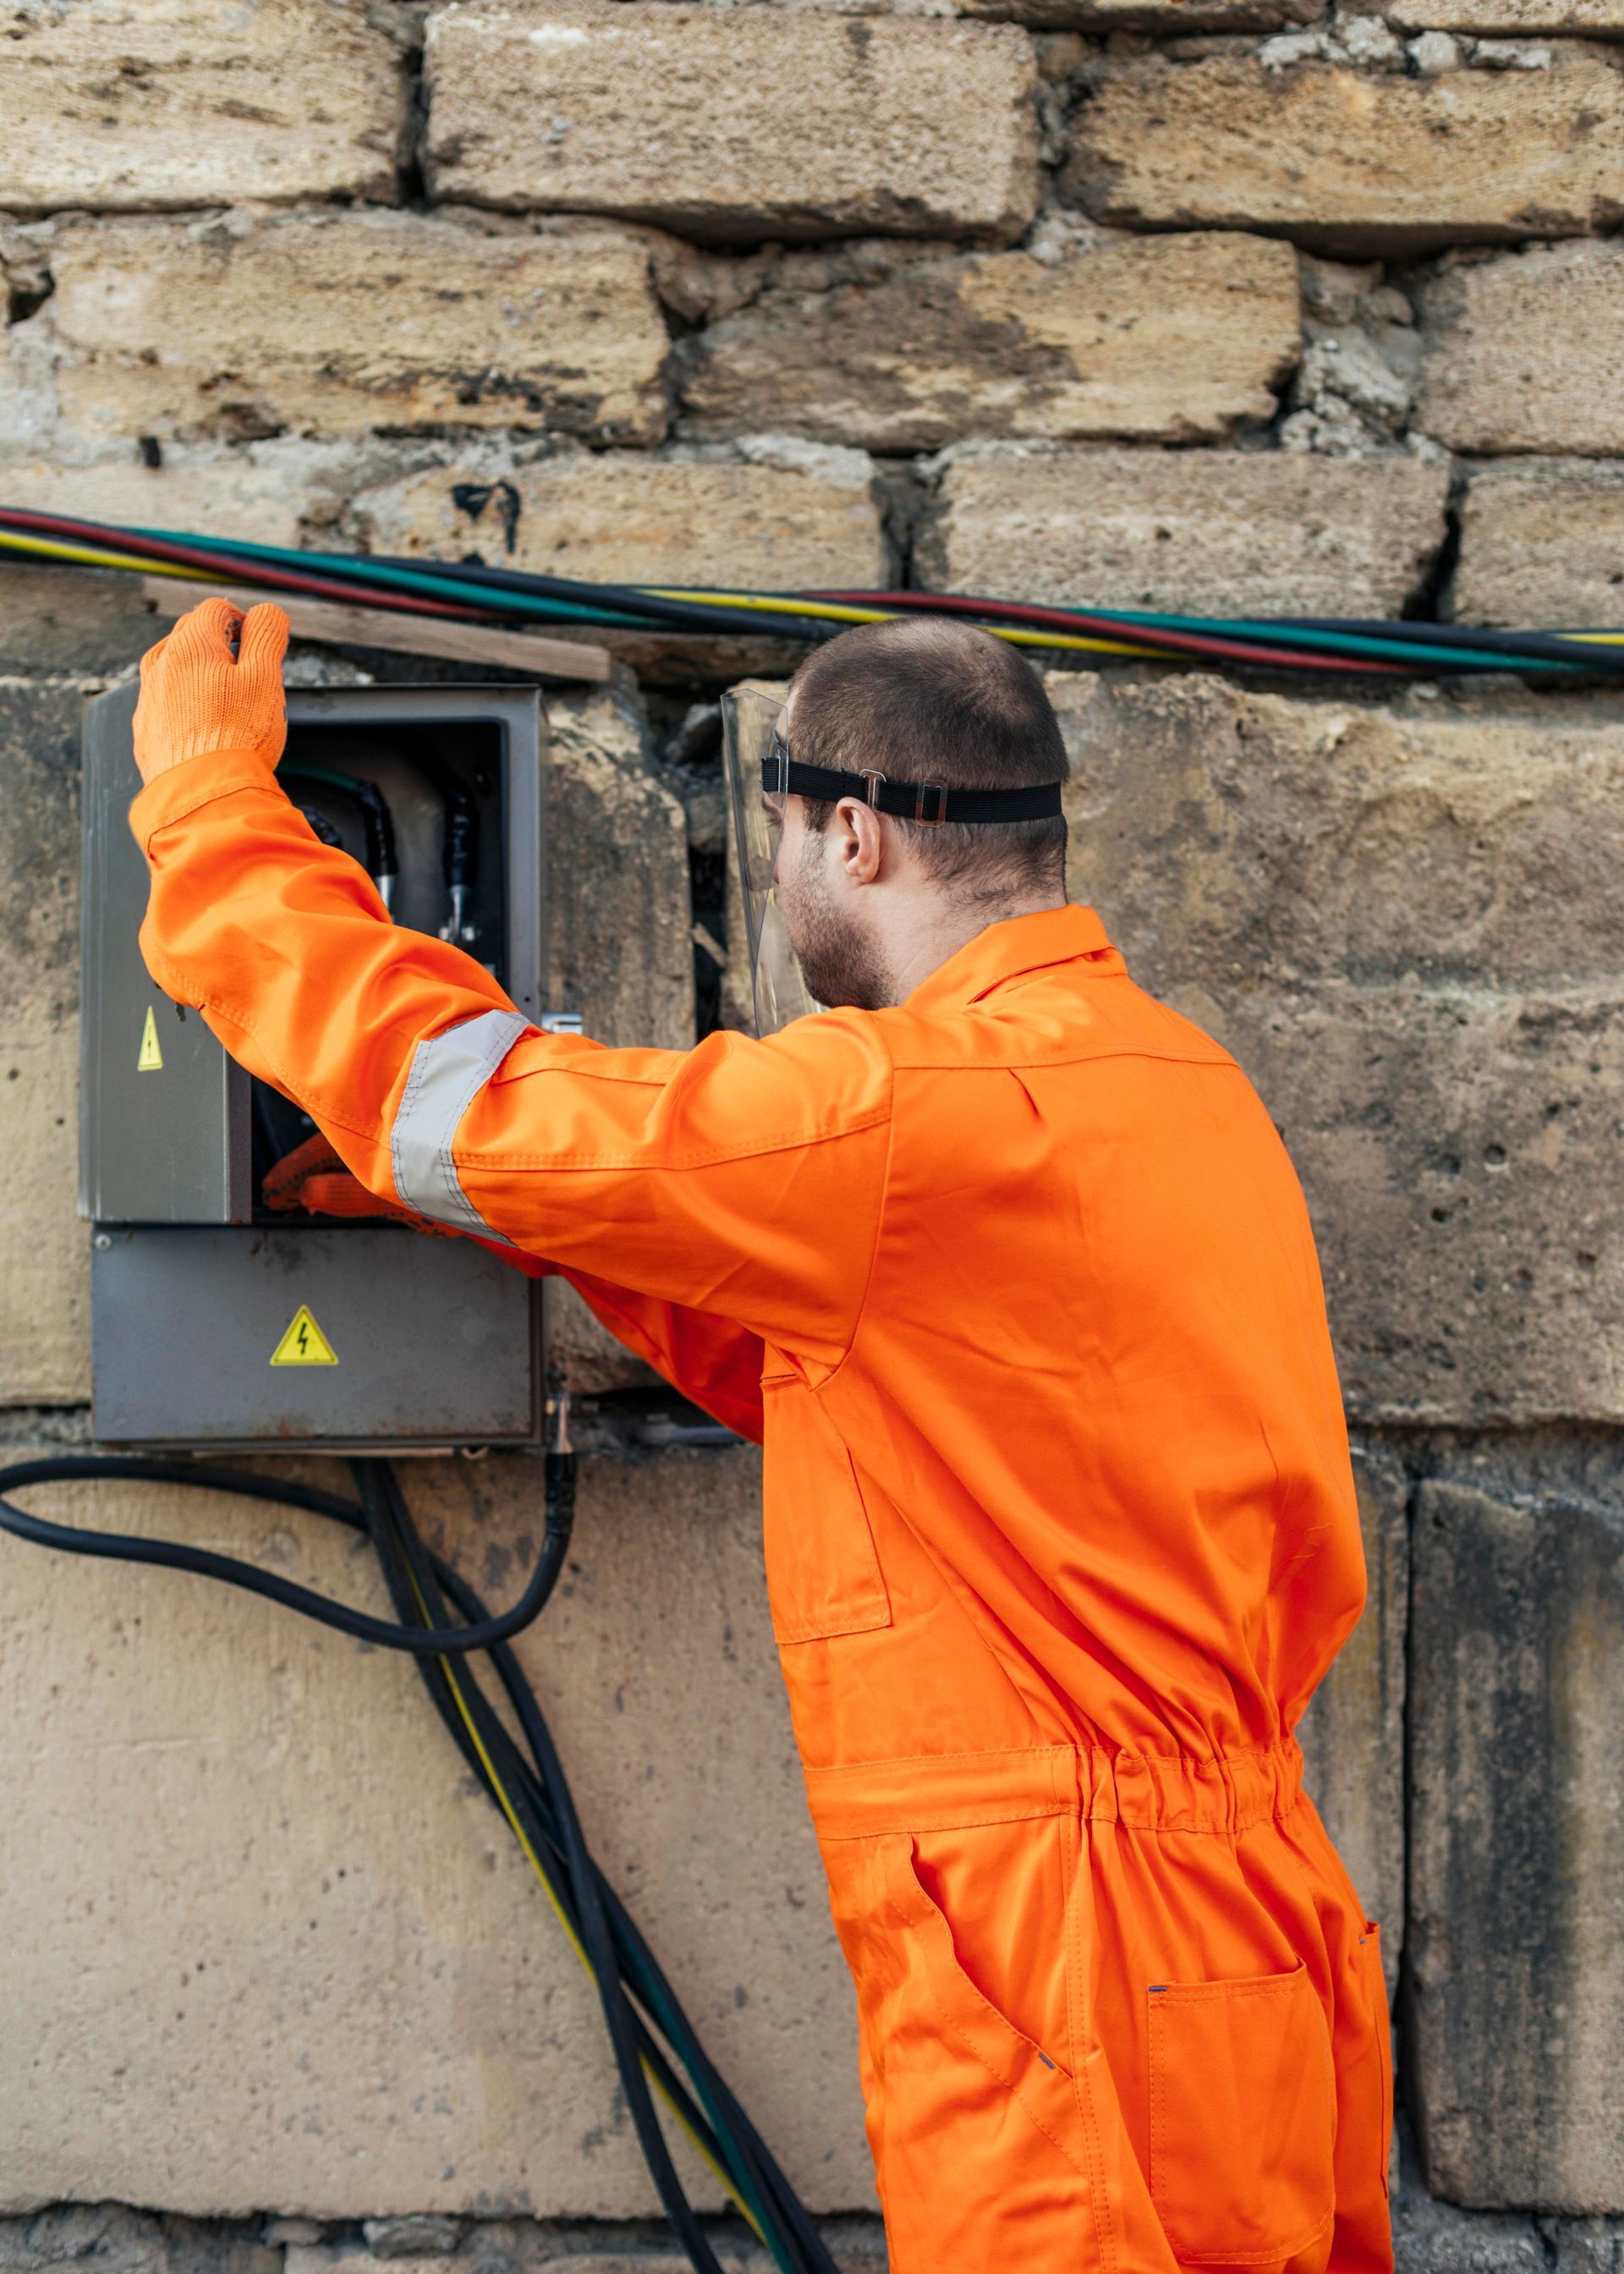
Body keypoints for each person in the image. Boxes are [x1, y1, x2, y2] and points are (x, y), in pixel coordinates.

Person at [129, 596, 1394, 2274]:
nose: (779, 876)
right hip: (1246, 1936)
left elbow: (470, 1102)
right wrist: (559, 1230)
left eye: (781, 836)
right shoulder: (1171, 1086)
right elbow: (890, 1387)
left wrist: (212, 813)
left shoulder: (909, 1108)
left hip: (1078, 1956)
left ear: (853, 836)